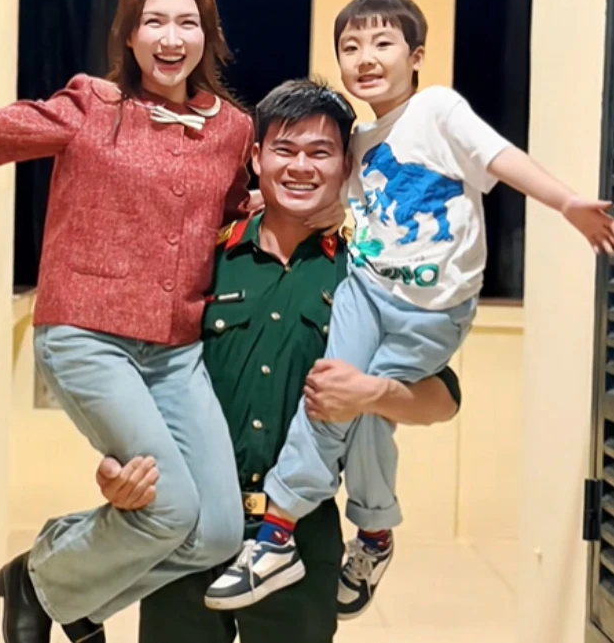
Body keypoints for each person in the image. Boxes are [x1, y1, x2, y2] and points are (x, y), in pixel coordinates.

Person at [0, 0, 344, 643]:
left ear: (208, 33)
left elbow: (243, 209)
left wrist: (333, 216)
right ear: (130, 34)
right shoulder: (94, 105)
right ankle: (42, 580)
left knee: (217, 531)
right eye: (154, 22)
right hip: (87, 335)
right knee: (169, 509)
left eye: (187, 22)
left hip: (176, 353)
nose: (171, 39)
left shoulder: (232, 129)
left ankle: (58, 582)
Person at [207, 0, 614, 619]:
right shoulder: (361, 141)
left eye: (382, 42)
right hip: (367, 289)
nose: (365, 57)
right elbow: (326, 195)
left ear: (416, 55)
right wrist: (259, 197)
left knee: (368, 407)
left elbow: (502, 159)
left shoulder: (438, 111)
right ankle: (281, 535)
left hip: (430, 312)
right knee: (329, 391)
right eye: (350, 46)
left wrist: (566, 203)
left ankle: (369, 531)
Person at [96, 78, 463, 643]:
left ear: (346, 165)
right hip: (190, 527)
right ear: (256, 157)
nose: (300, 167)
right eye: (285, 150)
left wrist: (373, 394)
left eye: (320, 152)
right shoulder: (201, 259)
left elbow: (442, 400)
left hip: (300, 539)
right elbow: (135, 374)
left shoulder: (366, 276)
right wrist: (117, 465)